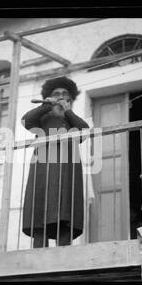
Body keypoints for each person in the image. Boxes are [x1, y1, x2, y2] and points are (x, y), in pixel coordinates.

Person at [21, 76, 89, 248]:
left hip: (67, 169)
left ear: (70, 99)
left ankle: (64, 253)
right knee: (40, 206)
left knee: (66, 210)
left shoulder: (71, 119)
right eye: (56, 93)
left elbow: (84, 131)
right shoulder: (43, 117)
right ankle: (38, 255)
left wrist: (67, 111)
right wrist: (46, 105)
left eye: (65, 94)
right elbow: (26, 121)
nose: (60, 96)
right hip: (43, 168)